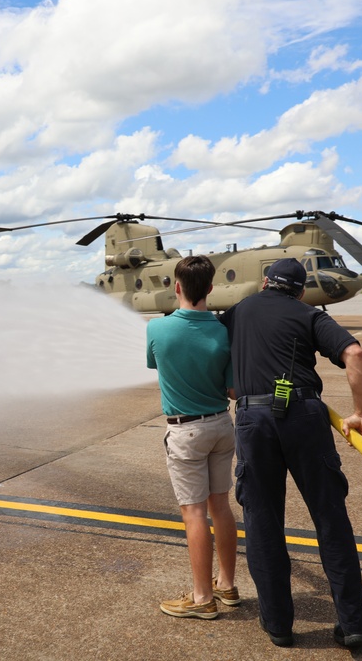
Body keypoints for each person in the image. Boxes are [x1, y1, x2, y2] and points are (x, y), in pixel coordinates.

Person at [219, 258, 362, 649]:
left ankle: (279, 626)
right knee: (330, 519)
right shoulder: (309, 314)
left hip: (254, 418)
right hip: (305, 415)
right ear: (301, 291)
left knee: (263, 524)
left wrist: (232, 386)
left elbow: (211, 351)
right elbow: (353, 353)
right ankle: (353, 624)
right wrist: (361, 414)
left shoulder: (237, 312)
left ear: (266, 283)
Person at [146, 255, 240, 621]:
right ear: (211, 289)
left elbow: (156, 364)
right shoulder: (223, 332)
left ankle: (202, 598)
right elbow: (231, 387)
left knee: (194, 513)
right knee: (222, 507)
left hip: (185, 431)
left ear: (177, 287)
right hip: (221, 426)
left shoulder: (157, 328)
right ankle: (227, 585)